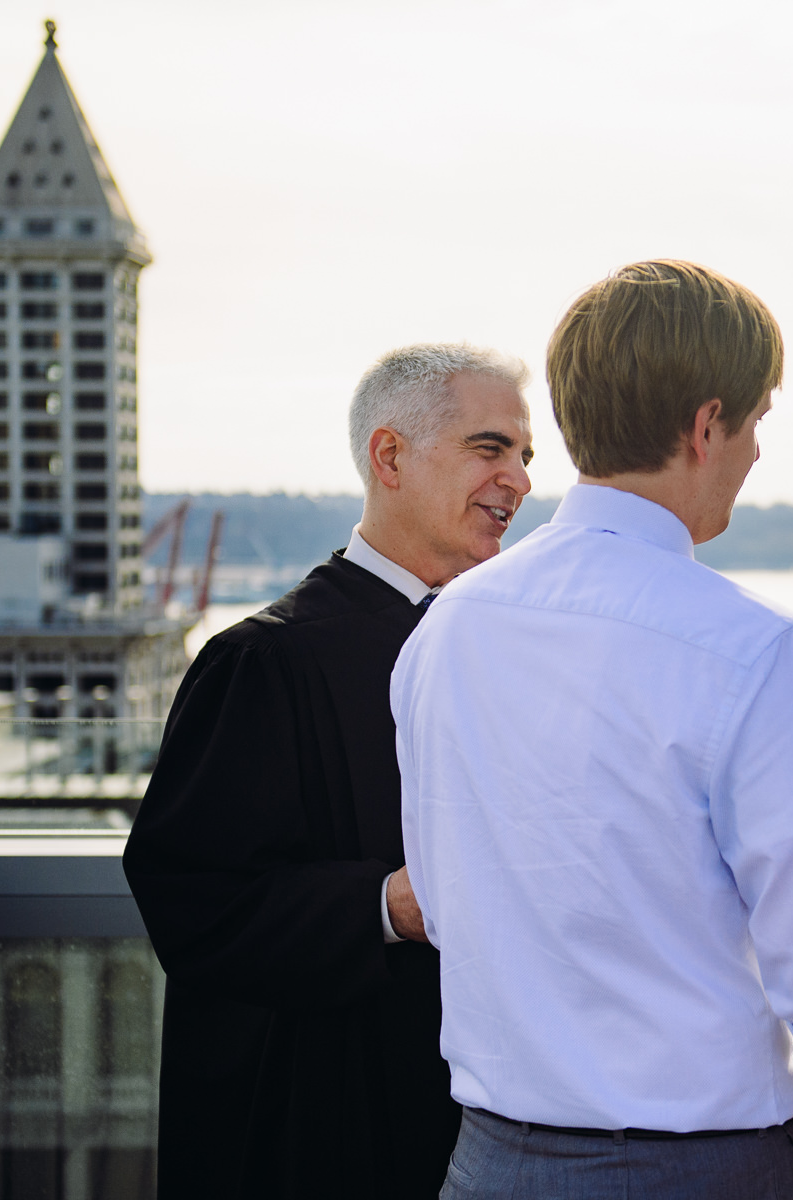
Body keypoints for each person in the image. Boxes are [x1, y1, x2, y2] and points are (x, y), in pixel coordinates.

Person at [393, 260, 793, 1199]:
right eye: (755, 423)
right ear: (707, 425)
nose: (756, 453)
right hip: (695, 1170)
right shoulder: (753, 649)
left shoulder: (446, 628)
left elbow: (441, 889)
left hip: (488, 1167)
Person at [122, 344, 534, 1199]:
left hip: (494, 1117)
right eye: (491, 448)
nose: (520, 480)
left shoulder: (509, 649)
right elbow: (191, 899)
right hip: (323, 1121)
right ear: (390, 457)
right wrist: (389, 905)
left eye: (525, 457)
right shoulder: (262, 661)